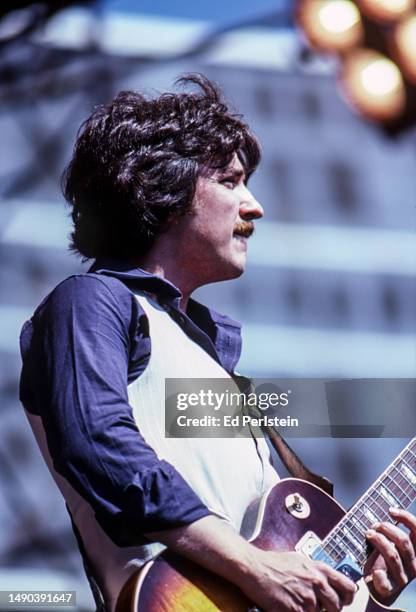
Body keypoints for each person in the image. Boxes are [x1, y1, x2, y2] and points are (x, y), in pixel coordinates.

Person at [19, 74, 416, 612]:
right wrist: (250, 567)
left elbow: (287, 561)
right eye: (230, 181)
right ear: (164, 188)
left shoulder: (215, 364)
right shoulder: (93, 301)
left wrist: (361, 585)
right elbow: (97, 444)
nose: (255, 207)